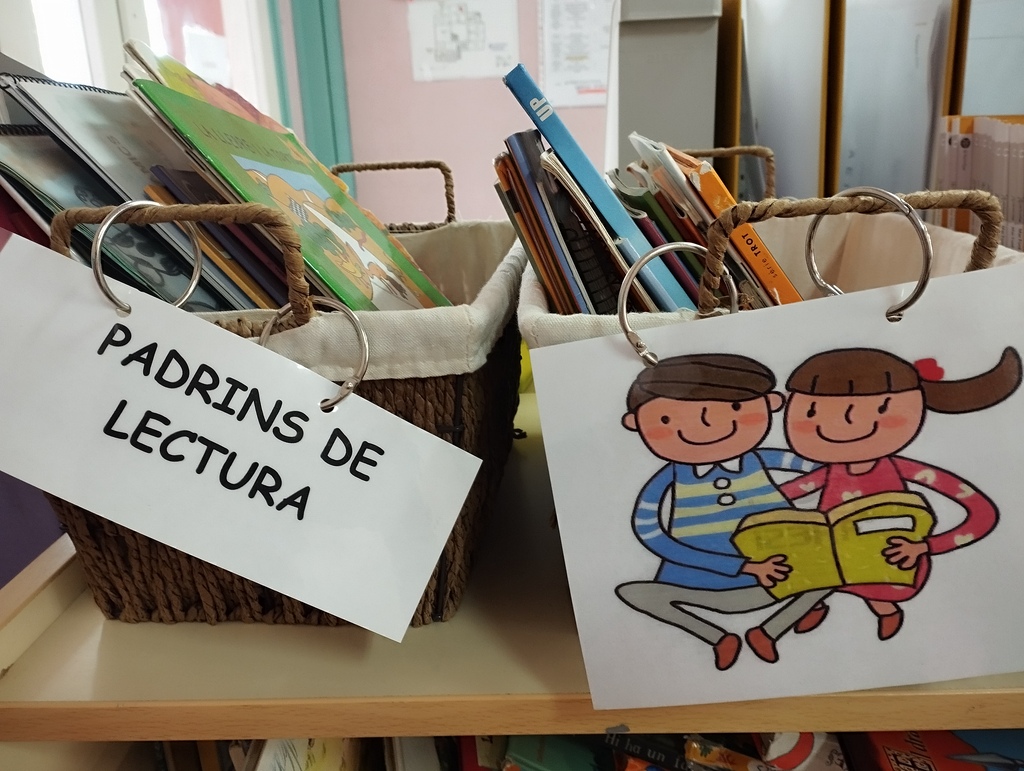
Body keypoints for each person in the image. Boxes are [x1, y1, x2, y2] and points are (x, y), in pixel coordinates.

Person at [764, 346, 1022, 642]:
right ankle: (815, 605)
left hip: (889, 555)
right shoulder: (827, 473)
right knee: (813, 571)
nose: (846, 424)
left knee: (876, 587)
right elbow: (783, 494)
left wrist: (925, 546)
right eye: (811, 411)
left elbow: (982, 513)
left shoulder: (911, 470)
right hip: (832, 556)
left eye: (880, 409)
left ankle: (885, 610)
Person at [616, 353, 826, 670]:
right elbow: (649, 531)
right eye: (667, 419)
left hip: (780, 574)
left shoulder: (763, 459)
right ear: (634, 423)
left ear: (771, 403)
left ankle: (771, 630)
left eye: (735, 408)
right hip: (699, 585)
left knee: (836, 569)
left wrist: (801, 503)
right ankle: (717, 637)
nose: (704, 424)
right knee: (635, 593)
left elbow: (824, 472)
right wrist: (740, 566)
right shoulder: (669, 479)